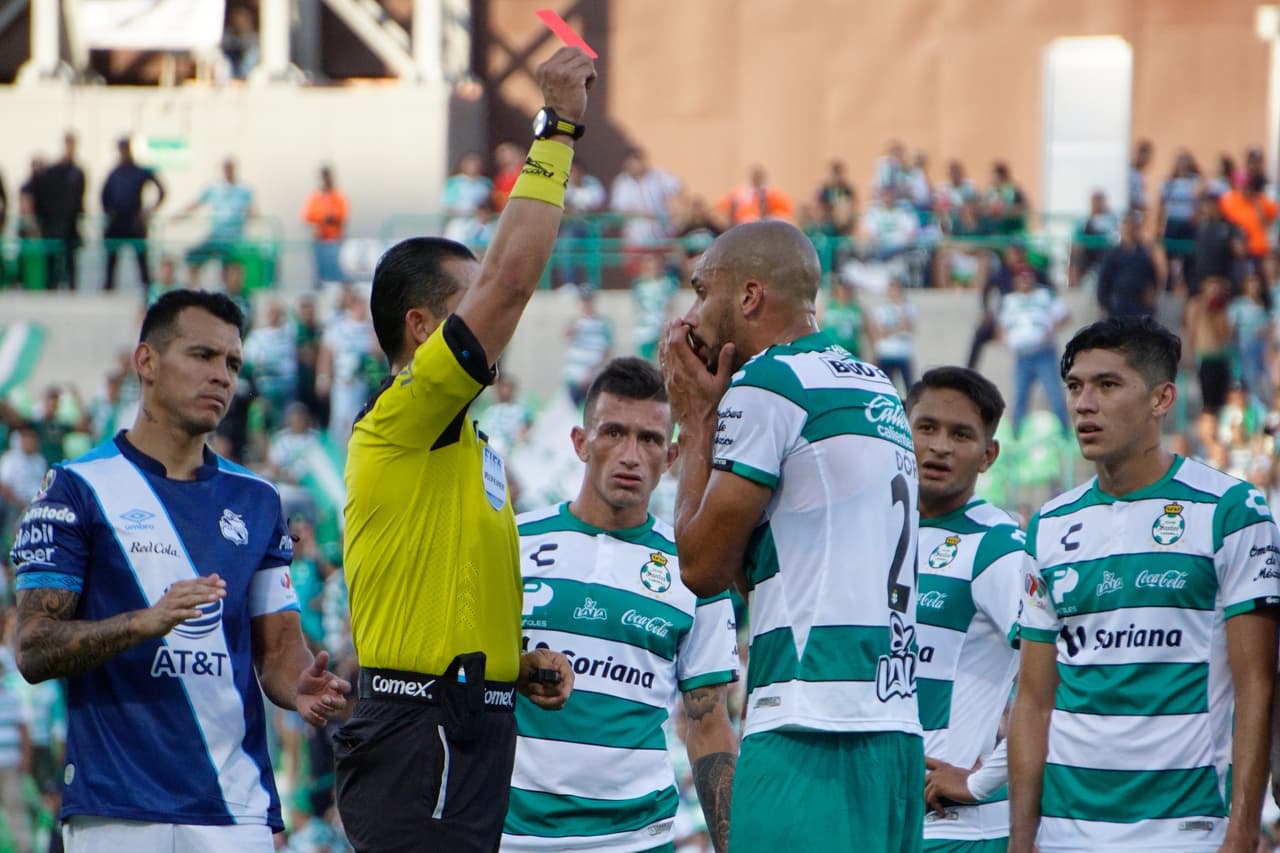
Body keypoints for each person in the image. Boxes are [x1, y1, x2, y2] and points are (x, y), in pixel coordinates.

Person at [334, 47, 593, 853]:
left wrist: (513, 662)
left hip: (466, 723)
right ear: (424, 328)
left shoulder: (466, 439)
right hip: (420, 729)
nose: (494, 312)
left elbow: (438, 592)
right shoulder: (405, 416)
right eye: (466, 301)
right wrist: (556, 129)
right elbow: (513, 278)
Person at [7, 289, 350, 852]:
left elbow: (279, 651)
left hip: (234, 809)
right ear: (147, 362)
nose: (221, 376)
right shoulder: (76, 486)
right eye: (202, 356)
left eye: (232, 363)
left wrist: (300, 686)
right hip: (117, 808)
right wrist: (143, 623)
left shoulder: (259, 499)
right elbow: (34, 648)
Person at [660, 220, 924, 853]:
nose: (692, 316)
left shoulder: (768, 385)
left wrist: (698, 420)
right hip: (895, 731)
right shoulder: (872, 384)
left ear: (749, 298)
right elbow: (778, 568)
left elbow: (700, 567)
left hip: (810, 726)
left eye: (703, 291)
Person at [1007, 316, 1280, 853]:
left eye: (1108, 385)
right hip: (1067, 833)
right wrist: (1022, 838)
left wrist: (1243, 829)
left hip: (1188, 831)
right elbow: (1035, 700)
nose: (1084, 403)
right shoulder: (1048, 525)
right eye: (1075, 387)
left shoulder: (1230, 510)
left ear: (1161, 399)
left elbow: (1257, 685)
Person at [503, 357, 739, 852]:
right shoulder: (512, 544)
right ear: (580, 442)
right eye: (613, 433)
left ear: (671, 455)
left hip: (636, 839)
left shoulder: (697, 567)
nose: (630, 455)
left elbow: (708, 721)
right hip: (512, 835)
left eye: (650, 439)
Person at [905, 368, 1022, 852]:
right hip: (879, 819)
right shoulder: (875, 530)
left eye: (961, 434)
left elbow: (1062, 666)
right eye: (926, 427)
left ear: (988, 455)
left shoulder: (996, 545)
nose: (939, 447)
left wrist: (982, 781)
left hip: (955, 831)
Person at [996, 266, 1071, 435]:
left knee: (1055, 396)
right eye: (1021, 277)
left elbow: (1066, 315)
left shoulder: (1044, 295)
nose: (1025, 280)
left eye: (1028, 276)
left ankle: (1065, 433)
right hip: (1022, 356)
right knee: (1020, 398)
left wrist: (1052, 330)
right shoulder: (1009, 300)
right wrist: (1005, 340)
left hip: (1044, 353)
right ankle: (1017, 436)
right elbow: (1000, 326)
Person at [101, 137, 166, 292]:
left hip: (134, 220)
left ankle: (148, 290)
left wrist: (148, 211)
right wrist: (109, 213)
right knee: (111, 258)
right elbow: (104, 197)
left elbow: (162, 191)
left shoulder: (140, 171)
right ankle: (108, 289)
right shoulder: (115, 173)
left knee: (141, 257)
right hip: (117, 221)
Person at [176, 158, 255, 278]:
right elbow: (196, 203)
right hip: (215, 236)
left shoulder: (244, 190)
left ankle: (228, 290)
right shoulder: (214, 188)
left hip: (233, 239)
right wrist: (178, 216)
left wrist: (251, 219)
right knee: (193, 256)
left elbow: (252, 211)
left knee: (230, 266)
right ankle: (193, 288)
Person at [34, 132, 85, 290]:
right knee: (52, 258)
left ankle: (71, 288)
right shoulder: (53, 171)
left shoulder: (78, 172)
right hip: (54, 223)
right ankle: (51, 287)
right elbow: (42, 195)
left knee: (70, 259)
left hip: (70, 223)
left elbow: (80, 197)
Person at [1096, 211, 1158, 318]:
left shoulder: (1144, 254)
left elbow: (1152, 279)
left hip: (1139, 305)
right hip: (1118, 304)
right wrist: (1105, 304)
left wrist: (1150, 297)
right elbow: (1103, 282)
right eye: (1127, 225)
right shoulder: (1112, 254)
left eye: (1133, 225)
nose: (1130, 229)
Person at [302, 165, 348, 289]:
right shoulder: (316, 197)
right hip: (319, 240)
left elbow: (342, 215)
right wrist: (323, 218)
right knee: (320, 272)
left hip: (334, 240)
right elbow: (308, 216)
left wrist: (331, 218)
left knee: (335, 271)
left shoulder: (338, 196)